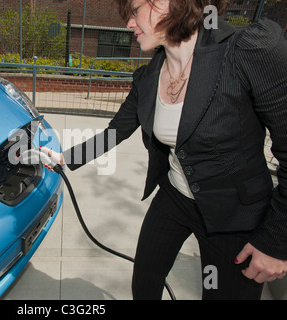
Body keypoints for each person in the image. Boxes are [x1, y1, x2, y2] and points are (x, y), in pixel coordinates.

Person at [40, 0, 287, 300]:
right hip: (174, 196)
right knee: (145, 279)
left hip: (234, 215)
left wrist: (276, 242)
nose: (129, 24)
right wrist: (64, 158)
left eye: (134, 10)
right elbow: (114, 133)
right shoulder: (149, 76)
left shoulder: (245, 51)